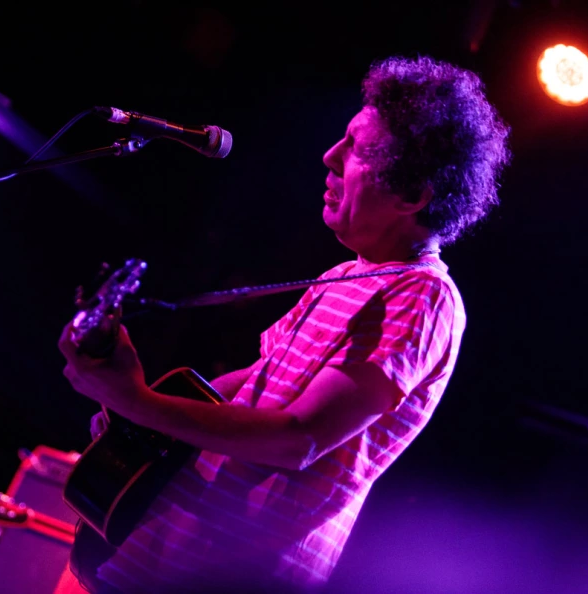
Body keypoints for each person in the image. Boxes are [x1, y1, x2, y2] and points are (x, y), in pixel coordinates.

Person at [58, 55, 511, 593]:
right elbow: (252, 386)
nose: (329, 156)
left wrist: (139, 403)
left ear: (412, 195)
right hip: (150, 560)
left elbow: (299, 438)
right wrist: (133, 411)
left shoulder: (424, 296)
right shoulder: (346, 276)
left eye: (357, 149)